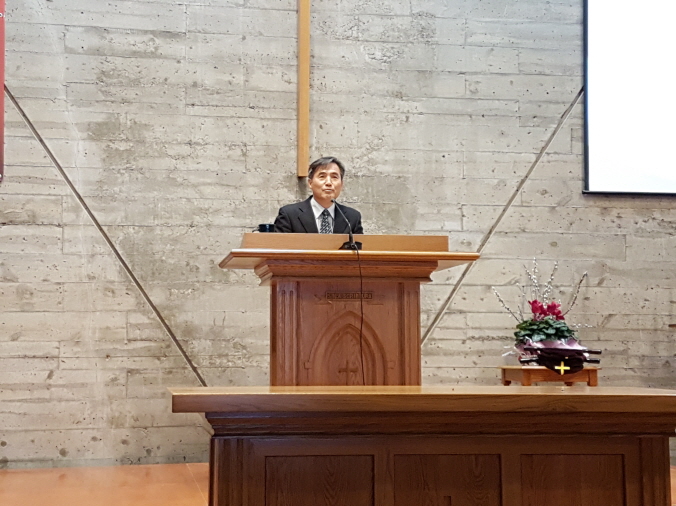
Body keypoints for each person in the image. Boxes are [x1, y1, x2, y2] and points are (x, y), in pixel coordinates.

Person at [274, 157, 363, 234]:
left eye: (334, 177)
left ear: (342, 184)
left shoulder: (352, 217)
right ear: (310, 183)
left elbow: (360, 247)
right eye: (322, 176)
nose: (328, 182)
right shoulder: (289, 215)